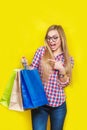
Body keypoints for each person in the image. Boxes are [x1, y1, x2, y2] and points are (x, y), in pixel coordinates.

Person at [22, 25, 74, 130]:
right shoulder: (41, 52)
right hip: (40, 103)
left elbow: (63, 84)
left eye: (55, 37)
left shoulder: (68, 59)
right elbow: (33, 73)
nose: (51, 41)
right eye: (49, 38)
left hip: (59, 106)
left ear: (61, 38)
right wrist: (26, 66)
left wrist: (61, 69)